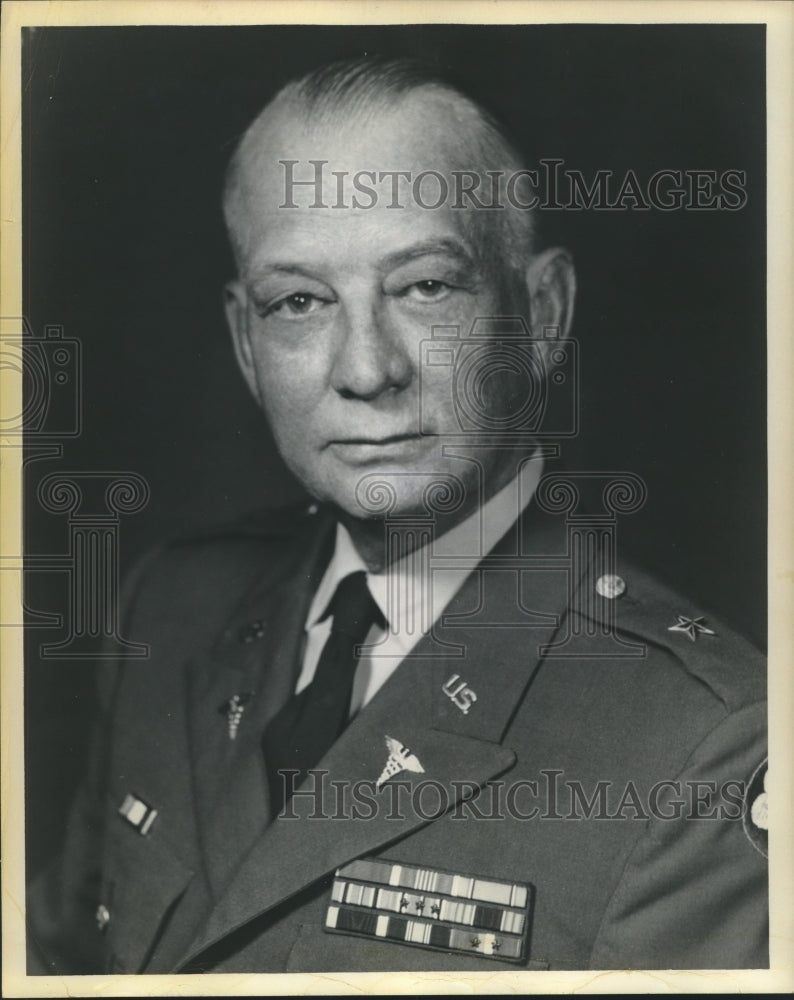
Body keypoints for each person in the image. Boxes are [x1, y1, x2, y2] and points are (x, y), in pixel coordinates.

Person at [26, 56, 767, 975]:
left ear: (539, 313)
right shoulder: (169, 612)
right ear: (245, 345)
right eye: (298, 303)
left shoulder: (705, 747)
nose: (367, 370)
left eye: (424, 286)